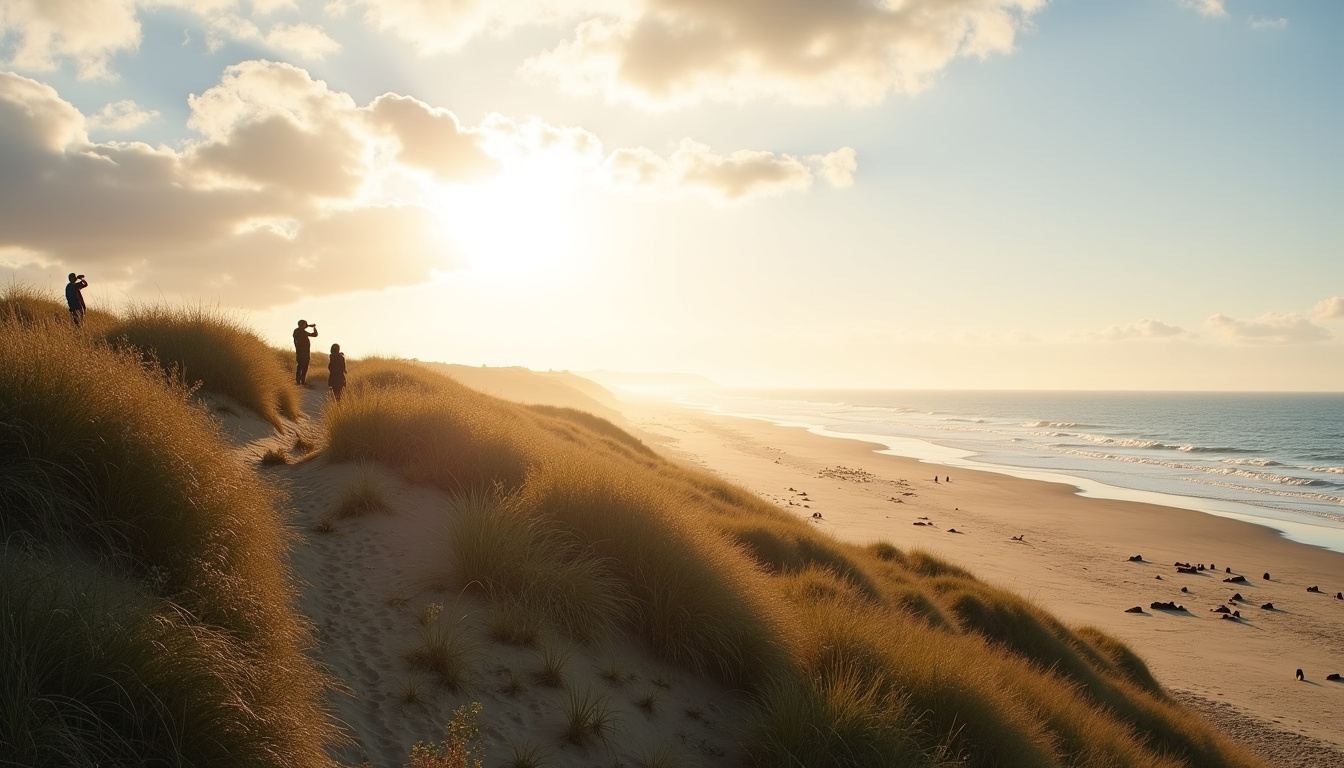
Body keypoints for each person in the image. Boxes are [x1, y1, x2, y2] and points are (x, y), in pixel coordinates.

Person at [292, 320, 318, 385]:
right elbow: (315, 335)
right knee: (301, 367)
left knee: (302, 366)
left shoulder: (298, 331)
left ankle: (300, 381)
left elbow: (315, 335)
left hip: (303, 351)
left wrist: (311, 326)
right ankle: (300, 381)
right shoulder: (300, 331)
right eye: (305, 324)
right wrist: (312, 327)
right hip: (302, 351)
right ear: (303, 324)